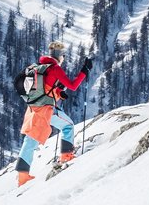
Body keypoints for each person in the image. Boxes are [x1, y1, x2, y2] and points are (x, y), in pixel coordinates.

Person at [15, 43, 93, 187]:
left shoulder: (38, 67)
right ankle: (66, 155)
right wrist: (85, 70)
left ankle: (22, 176)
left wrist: (58, 92)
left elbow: (44, 88)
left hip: (33, 108)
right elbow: (73, 85)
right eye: (63, 55)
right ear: (59, 56)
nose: (64, 58)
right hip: (45, 110)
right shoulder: (55, 68)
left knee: (30, 139)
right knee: (68, 125)